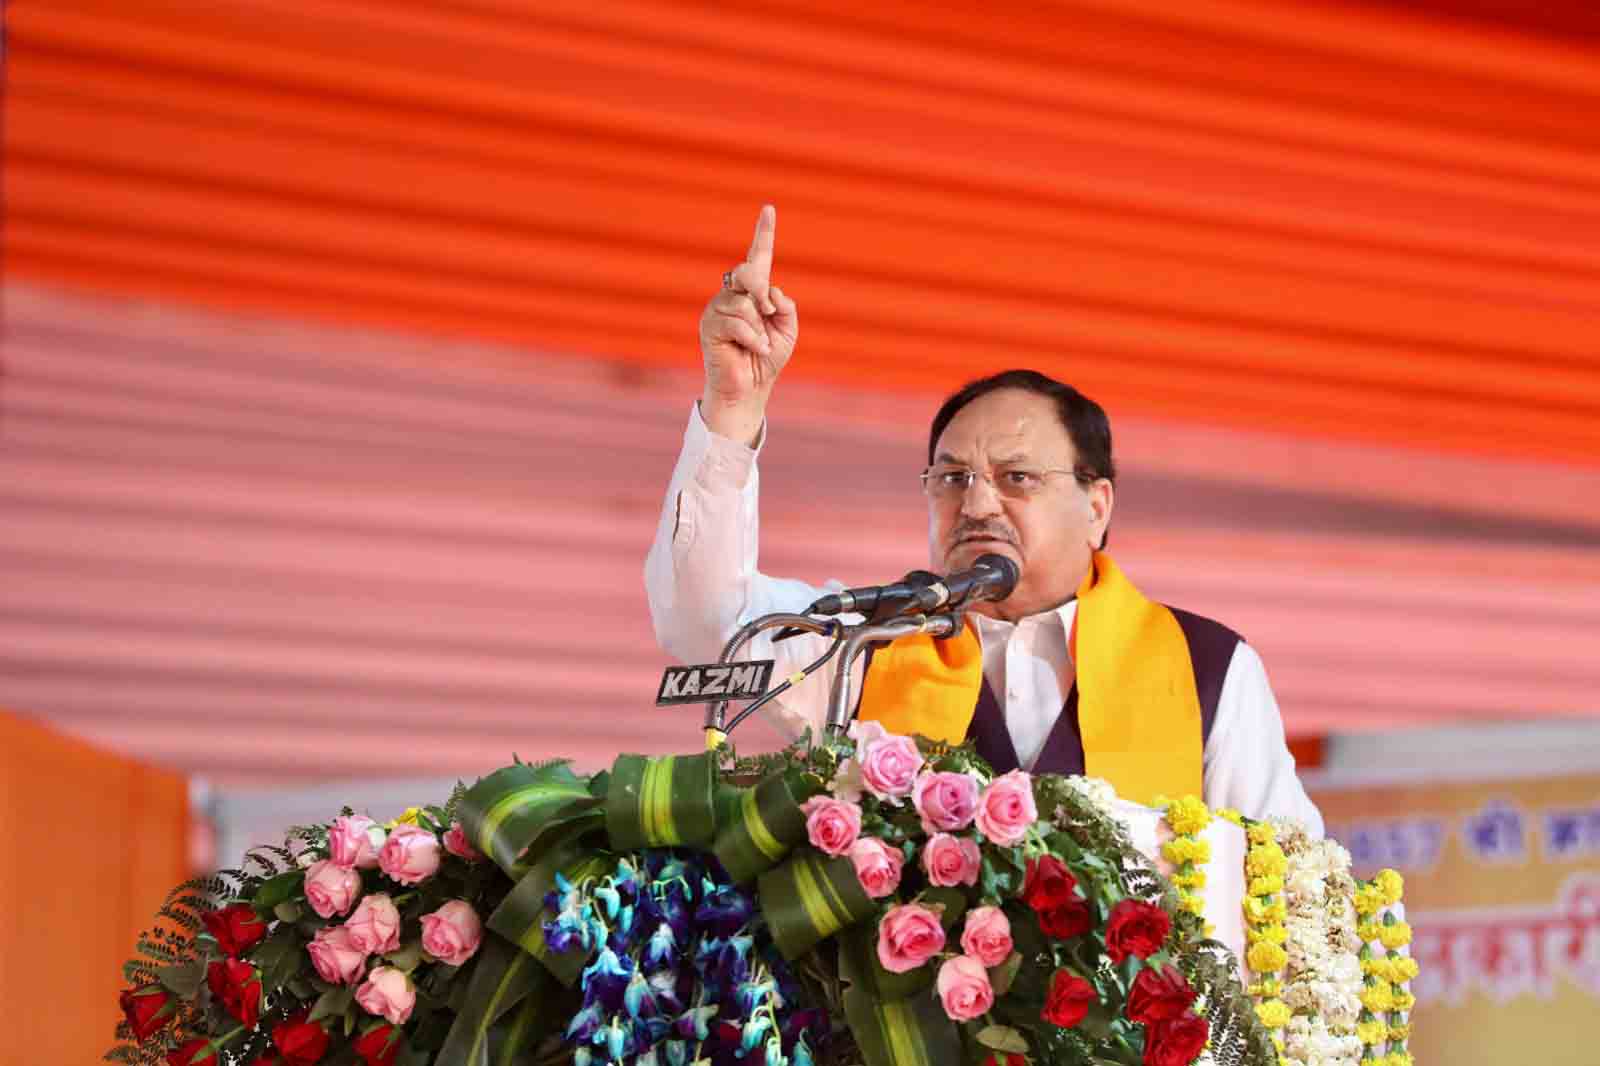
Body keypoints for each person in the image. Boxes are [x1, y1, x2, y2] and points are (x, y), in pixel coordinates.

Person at [645, 205, 1322, 832]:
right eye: (952, 478)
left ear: (1097, 506)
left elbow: (1284, 890)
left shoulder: (1207, 666)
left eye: (1016, 478)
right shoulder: (865, 643)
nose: (975, 505)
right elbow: (710, 623)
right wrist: (734, 406)